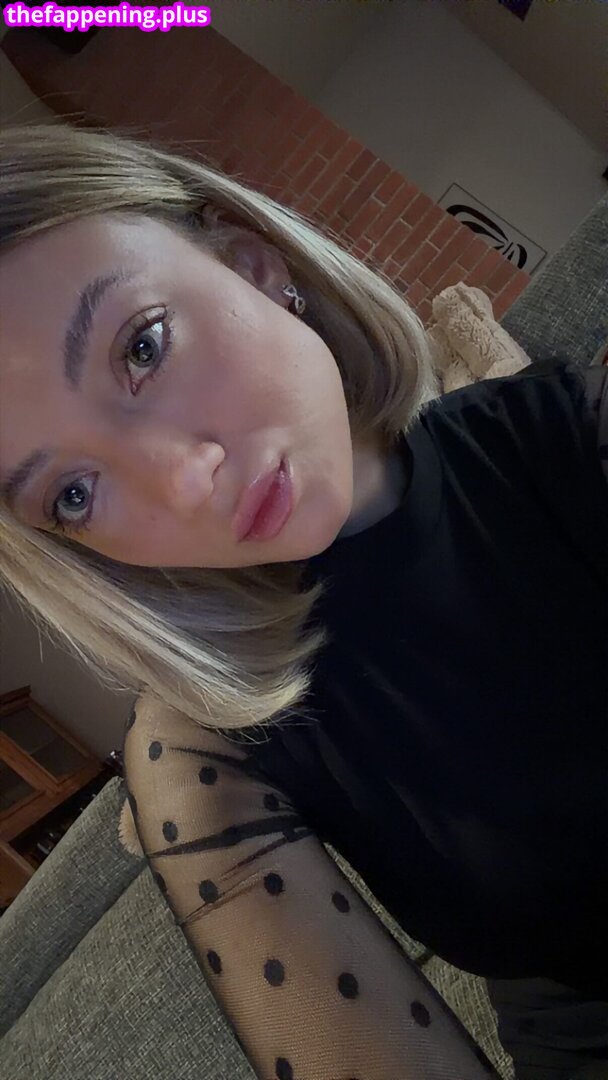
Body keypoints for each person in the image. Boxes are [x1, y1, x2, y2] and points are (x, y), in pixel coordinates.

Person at [0, 120, 606, 1080]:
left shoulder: (567, 432)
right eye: (73, 493)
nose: (184, 480)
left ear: (250, 262)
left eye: (143, 347)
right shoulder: (205, 751)